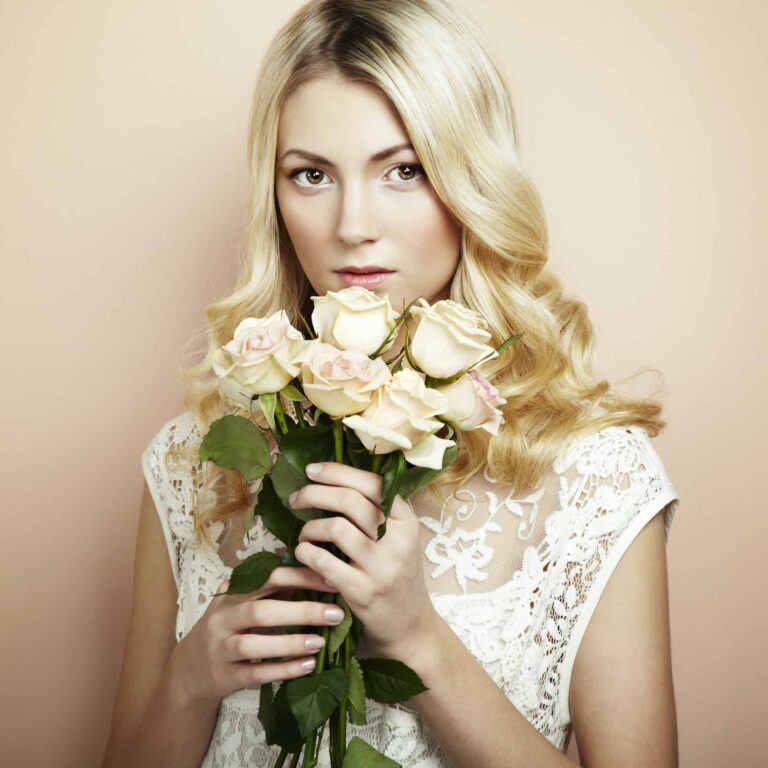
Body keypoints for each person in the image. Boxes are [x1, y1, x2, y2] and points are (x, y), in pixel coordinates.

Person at [102, 1, 681, 766]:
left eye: (403, 170)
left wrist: (417, 640)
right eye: (311, 175)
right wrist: (188, 682)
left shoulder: (596, 478)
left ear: (469, 180)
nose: (353, 225)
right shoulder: (193, 463)